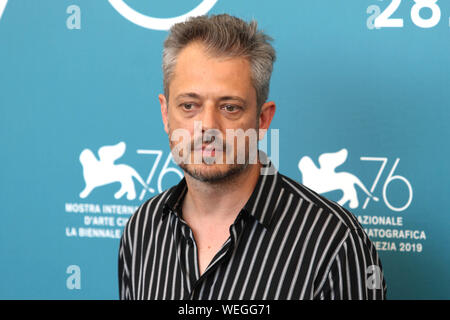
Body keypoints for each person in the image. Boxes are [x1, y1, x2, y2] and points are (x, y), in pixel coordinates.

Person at [118, 14, 387, 300]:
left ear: (262, 119)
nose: (207, 126)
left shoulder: (333, 242)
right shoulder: (143, 228)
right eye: (189, 105)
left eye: (230, 108)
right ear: (165, 113)